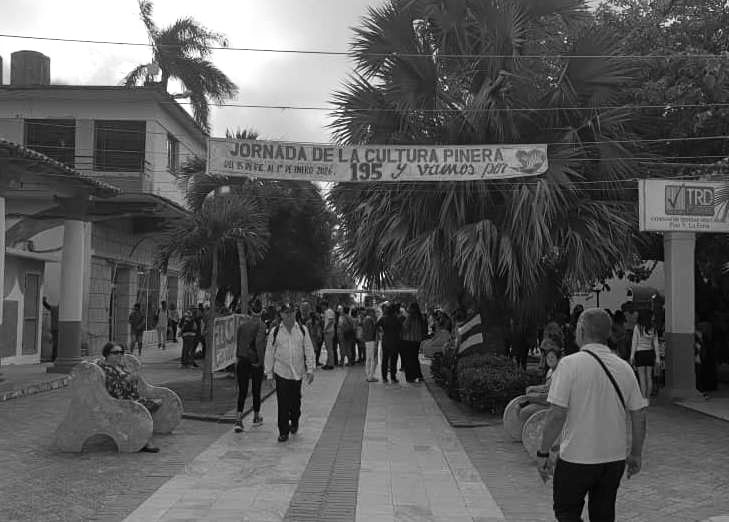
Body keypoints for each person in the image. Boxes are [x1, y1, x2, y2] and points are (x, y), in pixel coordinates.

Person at [538, 308, 647, 522]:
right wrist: (636, 453)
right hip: (613, 459)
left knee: (566, 513)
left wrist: (543, 452)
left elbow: (557, 415)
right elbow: (639, 415)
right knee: (603, 515)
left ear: (581, 330)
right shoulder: (624, 368)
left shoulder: (569, 365)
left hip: (576, 457)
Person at [97, 342, 162, 453]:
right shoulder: (104, 369)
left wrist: (132, 379)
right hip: (116, 401)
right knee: (141, 410)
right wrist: (128, 379)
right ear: (107, 354)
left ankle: (140, 433)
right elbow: (111, 388)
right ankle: (144, 441)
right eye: (115, 352)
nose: (119, 355)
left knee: (155, 403)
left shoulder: (119, 366)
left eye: (121, 352)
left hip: (130, 397)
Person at [264, 303, 316, 442]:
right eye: (286, 313)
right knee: (283, 403)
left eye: (291, 313)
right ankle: (283, 431)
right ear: (281, 315)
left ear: (295, 313)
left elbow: (309, 350)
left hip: (297, 373)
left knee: (295, 402)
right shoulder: (275, 332)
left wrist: (310, 369)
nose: (289, 316)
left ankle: (294, 420)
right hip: (281, 372)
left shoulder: (302, 330)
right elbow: (269, 353)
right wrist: (269, 374)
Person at [234, 299, 267, 433]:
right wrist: (261, 361)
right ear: (261, 311)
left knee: (242, 390)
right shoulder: (261, 325)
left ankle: (238, 419)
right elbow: (259, 343)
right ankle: (256, 416)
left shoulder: (242, 325)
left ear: (251, 311)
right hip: (255, 360)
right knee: (256, 390)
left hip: (242, 359)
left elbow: (238, 343)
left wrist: (238, 357)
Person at [629, 310, 660, 401]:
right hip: (650, 353)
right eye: (652, 316)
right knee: (649, 377)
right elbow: (656, 343)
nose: (653, 317)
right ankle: (648, 398)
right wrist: (657, 358)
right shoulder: (653, 328)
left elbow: (634, 342)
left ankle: (643, 399)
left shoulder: (638, 327)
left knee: (642, 378)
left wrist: (632, 356)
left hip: (640, 354)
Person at [401, 302, 427, 383]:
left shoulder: (410, 317)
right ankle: (419, 375)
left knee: (408, 359)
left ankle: (410, 377)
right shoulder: (421, 317)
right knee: (415, 358)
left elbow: (405, 327)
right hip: (417, 340)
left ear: (412, 308)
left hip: (409, 340)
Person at [377, 303, 402, 384]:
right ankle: (393, 378)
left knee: (385, 360)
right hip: (395, 342)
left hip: (385, 341)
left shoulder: (383, 318)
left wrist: (382, 331)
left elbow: (376, 326)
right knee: (393, 360)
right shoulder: (396, 319)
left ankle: (384, 378)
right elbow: (401, 329)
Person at [362, 307, 378, 382]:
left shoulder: (365, 319)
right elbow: (372, 331)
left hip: (367, 340)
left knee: (368, 358)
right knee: (372, 359)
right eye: (373, 312)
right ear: (370, 312)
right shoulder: (370, 320)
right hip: (371, 340)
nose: (374, 313)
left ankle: (368, 375)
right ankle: (371, 376)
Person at [322, 301, 336, 369]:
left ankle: (330, 364)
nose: (322, 307)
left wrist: (325, 329)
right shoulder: (327, 312)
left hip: (329, 332)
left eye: (322, 306)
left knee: (329, 349)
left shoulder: (329, 311)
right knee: (328, 348)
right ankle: (328, 363)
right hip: (328, 331)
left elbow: (331, 321)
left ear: (325, 305)